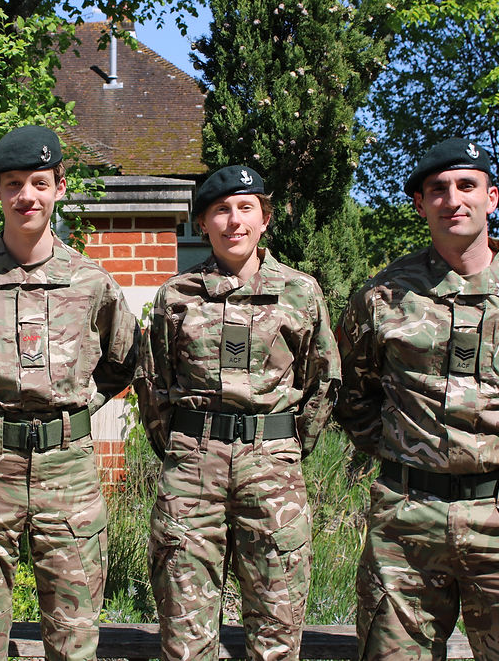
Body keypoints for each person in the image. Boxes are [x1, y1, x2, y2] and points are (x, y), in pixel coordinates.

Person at [335, 137, 499, 660]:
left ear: (492, 198)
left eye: (466, 185)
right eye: (437, 189)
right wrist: (408, 455)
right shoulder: (383, 296)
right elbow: (353, 396)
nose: (452, 199)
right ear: (420, 204)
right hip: (406, 519)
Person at [0, 125, 140, 661]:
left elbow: (125, 360)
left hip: (69, 471)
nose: (26, 196)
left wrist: (78, 409)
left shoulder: (92, 282)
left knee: (75, 635)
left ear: (60, 186)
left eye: (39, 182)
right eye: (13, 183)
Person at [133, 165, 340, 661]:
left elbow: (322, 380)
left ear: (264, 218)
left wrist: (284, 444)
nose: (234, 221)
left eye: (246, 208)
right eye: (220, 210)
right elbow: (153, 383)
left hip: (272, 469)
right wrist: (186, 445)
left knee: (276, 628)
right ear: (203, 223)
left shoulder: (300, 293)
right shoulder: (175, 297)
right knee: (184, 635)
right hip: (191, 469)